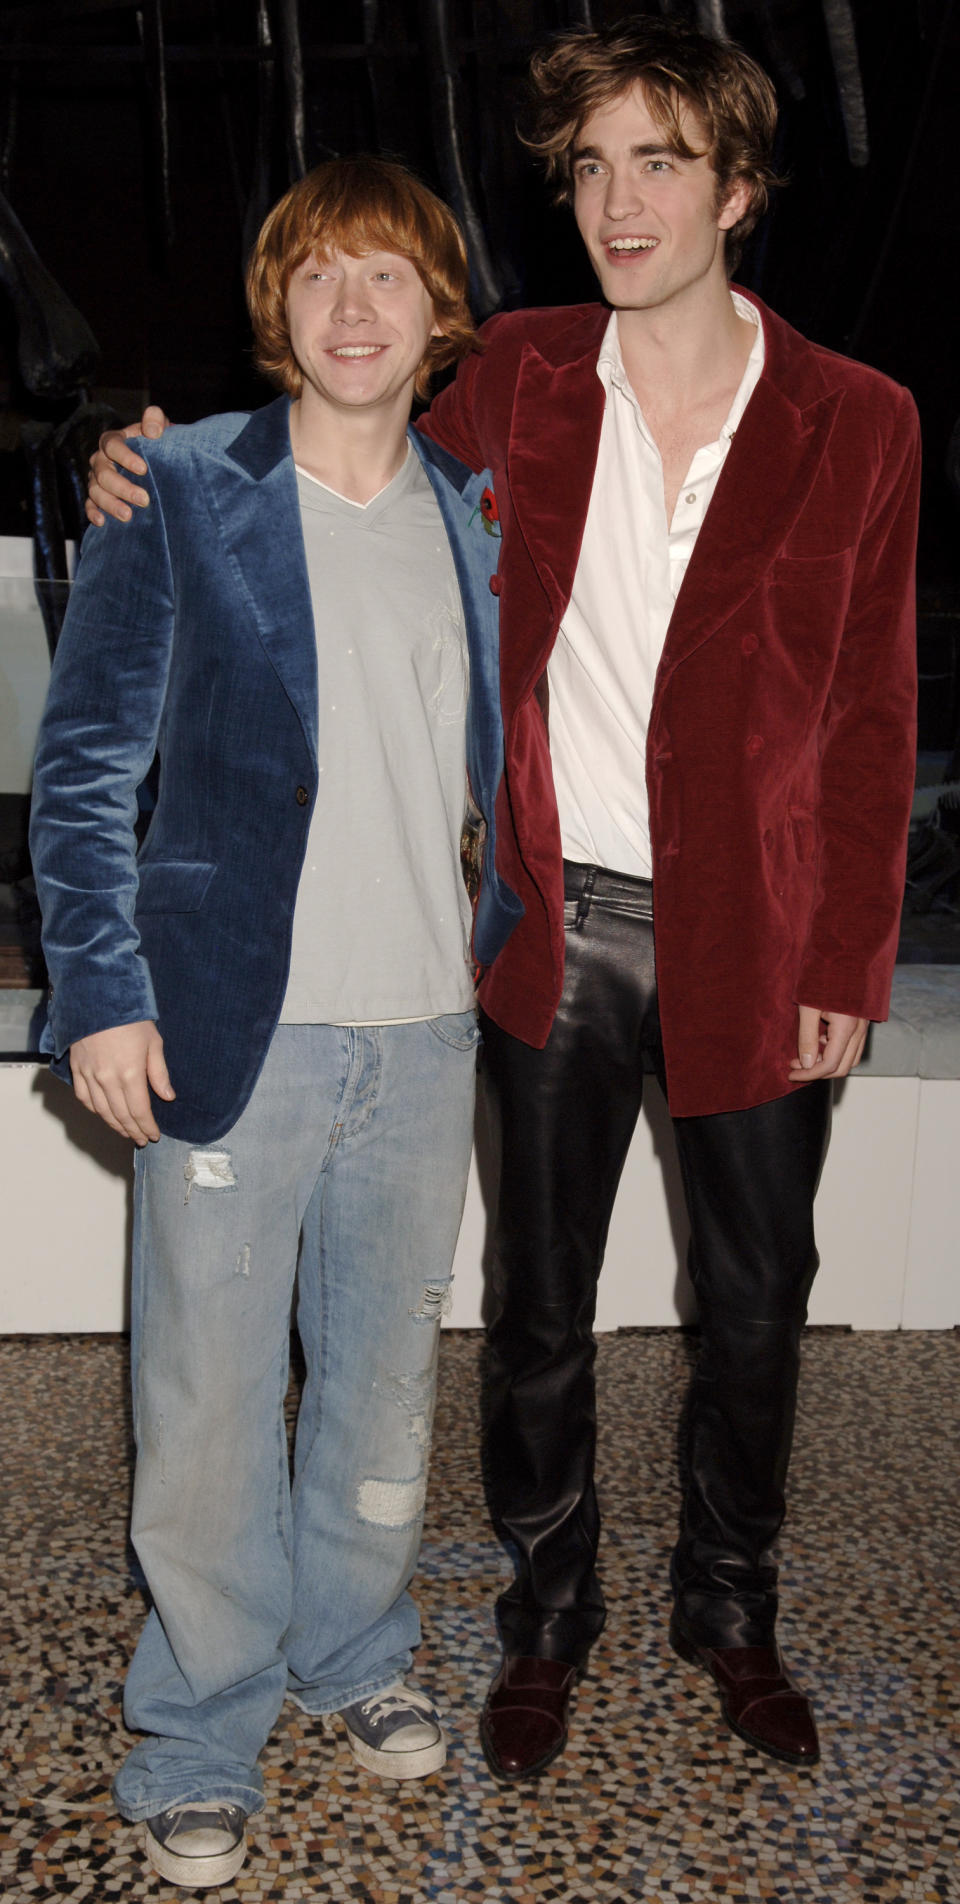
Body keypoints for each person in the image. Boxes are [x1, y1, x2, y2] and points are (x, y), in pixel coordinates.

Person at [88, 19, 920, 1787]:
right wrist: (143, 459)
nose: (618, 201)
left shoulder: (863, 419)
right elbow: (327, 431)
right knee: (535, 1304)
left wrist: (849, 943)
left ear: (740, 191)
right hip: (549, 923)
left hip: (760, 929)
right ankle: (546, 1622)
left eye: (661, 163)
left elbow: (870, 705)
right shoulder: (524, 378)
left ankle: (733, 1613)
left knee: (756, 1300)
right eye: (593, 166)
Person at [32, 155, 520, 1890]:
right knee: (211, 1409)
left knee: (383, 1398)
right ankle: (194, 1726)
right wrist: (99, 995)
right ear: (280, 307)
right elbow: (83, 772)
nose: (356, 307)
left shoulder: (475, 516)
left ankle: (351, 1652)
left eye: (390, 276)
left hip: (424, 1034)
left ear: (437, 309)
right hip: (237, 1039)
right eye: (321, 277)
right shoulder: (174, 487)